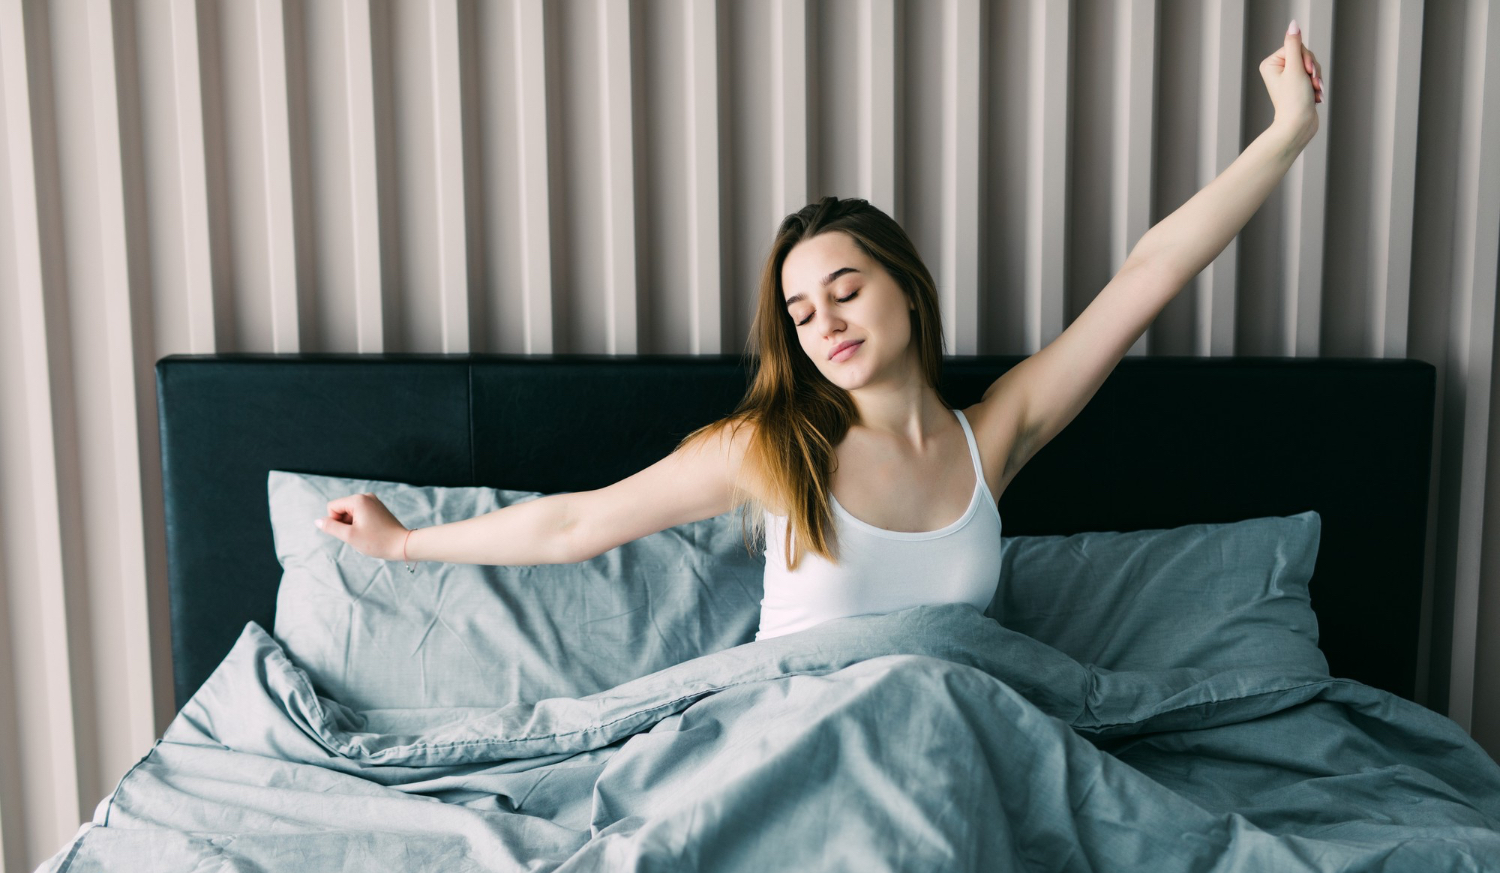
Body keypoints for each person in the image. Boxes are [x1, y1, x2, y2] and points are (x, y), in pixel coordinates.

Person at [316, 24, 1324, 640]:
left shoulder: (996, 435)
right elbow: (578, 524)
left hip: (944, 739)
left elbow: (1146, 275)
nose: (824, 322)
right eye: (800, 312)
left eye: (845, 290)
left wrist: (1283, 137)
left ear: (908, 292)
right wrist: (405, 546)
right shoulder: (772, 449)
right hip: (798, 743)